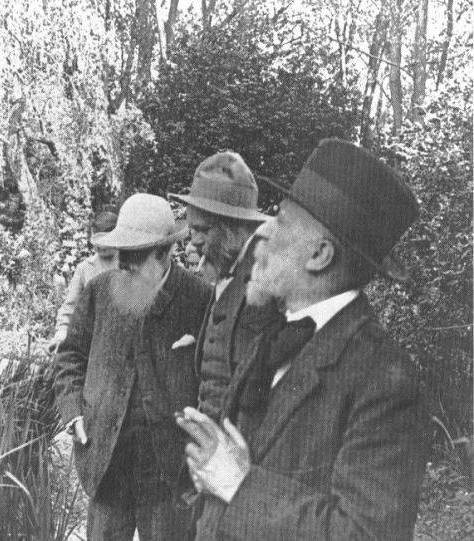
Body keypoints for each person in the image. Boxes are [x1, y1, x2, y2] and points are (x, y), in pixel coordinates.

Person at [177, 139, 431, 540]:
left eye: (279, 221)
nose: (262, 236)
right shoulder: (276, 333)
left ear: (319, 255)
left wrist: (239, 486)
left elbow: (363, 535)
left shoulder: (386, 381)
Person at [53, 194, 211, 541]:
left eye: (135, 256)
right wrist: (73, 411)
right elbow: (69, 358)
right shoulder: (98, 291)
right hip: (109, 464)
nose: (123, 264)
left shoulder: (199, 299)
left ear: (166, 253)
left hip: (169, 472)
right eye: (120, 253)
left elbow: (213, 377)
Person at [170, 151, 281, 422]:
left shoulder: (270, 277)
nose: (193, 241)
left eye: (203, 229)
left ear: (233, 227)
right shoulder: (226, 266)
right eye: (192, 228)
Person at [49, 211, 118, 352]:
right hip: (91, 344)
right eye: (95, 242)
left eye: (104, 241)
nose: (99, 247)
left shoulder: (130, 265)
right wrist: (61, 333)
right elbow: (70, 307)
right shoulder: (84, 268)